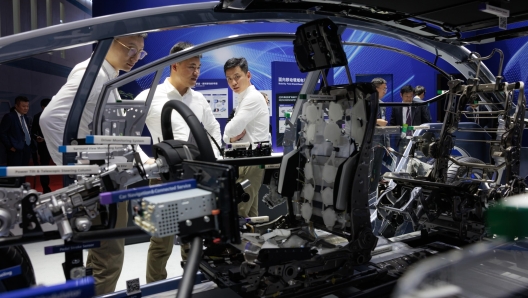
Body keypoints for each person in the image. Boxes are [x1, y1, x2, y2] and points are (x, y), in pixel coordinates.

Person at [40, 33, 147, 295]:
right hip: (100, 181)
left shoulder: (106, 76)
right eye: (130, 49)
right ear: (109, 42)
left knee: (102, 254)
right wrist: (75, 168)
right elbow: (50, 119)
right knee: (109, 258)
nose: (134, 57)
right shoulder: (94, 74)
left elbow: (110, 133)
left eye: (140, 52)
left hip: (106, 176)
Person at [137, 41, 222, 283]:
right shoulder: (151, 96)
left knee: (193, 240)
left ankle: (194, 284)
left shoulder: (199, 99)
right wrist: (145, 161)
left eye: (198, 67)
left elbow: (214, 130)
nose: (196, 72)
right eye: (190, 67)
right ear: (174, 65)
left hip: (195, 178)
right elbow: (126, 135)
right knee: (160, 243)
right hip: (161, 178)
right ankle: (156, 288)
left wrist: (211, 160)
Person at [223, 57, 270, 218]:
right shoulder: (244, 98)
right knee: (251, 215)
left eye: (237, 77)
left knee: (239, 212)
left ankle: (239, 244)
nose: (233, 82)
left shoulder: (252, 98)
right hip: (248, 160)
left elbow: (231, 129)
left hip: (251, 161)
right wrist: (230, 138)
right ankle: (253, 243)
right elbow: (228, 134)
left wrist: (229, 137)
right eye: (229, 79)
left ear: (248, 75)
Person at [0, 96, 33, 183]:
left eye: (27, 106)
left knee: (23, 172)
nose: (26, 108)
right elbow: (2, 133)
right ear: (16, 106)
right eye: (23, 106)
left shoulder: (25, 118)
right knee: (14, 174)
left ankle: (22, 190)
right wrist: (10, 146)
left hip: (26, 148)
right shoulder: (9, 117)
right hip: (15, 150)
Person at [389, 85, 432, 151]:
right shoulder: (396, 107)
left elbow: (426, 122)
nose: (409, 99)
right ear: (401, 95)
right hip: (402, 139)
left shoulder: (419, 106)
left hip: (417, 139)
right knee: (401, 159)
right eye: (406, 96)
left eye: (411, 96)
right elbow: (392, 124)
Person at [31, 98, 52, 193]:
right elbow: (33, 132)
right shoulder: (37, 117)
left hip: (56, 145)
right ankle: (46, 189)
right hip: (43, 146)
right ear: (43, 107)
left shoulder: (58, 115)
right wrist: (37, 138)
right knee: (44, 167)